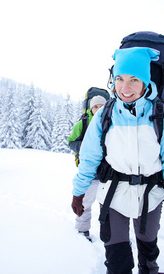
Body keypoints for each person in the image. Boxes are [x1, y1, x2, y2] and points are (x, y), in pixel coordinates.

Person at [71, 47, 164, 274]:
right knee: (117, 261)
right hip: (112, 197)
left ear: (146, 82)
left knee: (148, 254)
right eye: (120, 79)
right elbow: (88, 159)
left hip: (150, 198)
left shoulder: (161, 117)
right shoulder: (104, 115)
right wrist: (79, 192)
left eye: (134, 80)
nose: (125, 88)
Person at [68, 95, 107, 241]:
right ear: (90, 108)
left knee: (108, 206)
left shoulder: (111, 120)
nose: (98, 109)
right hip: (89, 173)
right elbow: (71, 141)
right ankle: (82, 230)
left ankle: (109, 234)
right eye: (95, 106)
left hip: (108, 173)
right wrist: (81, 146)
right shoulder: (83, 123)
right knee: (85, 203)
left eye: (101, 106)